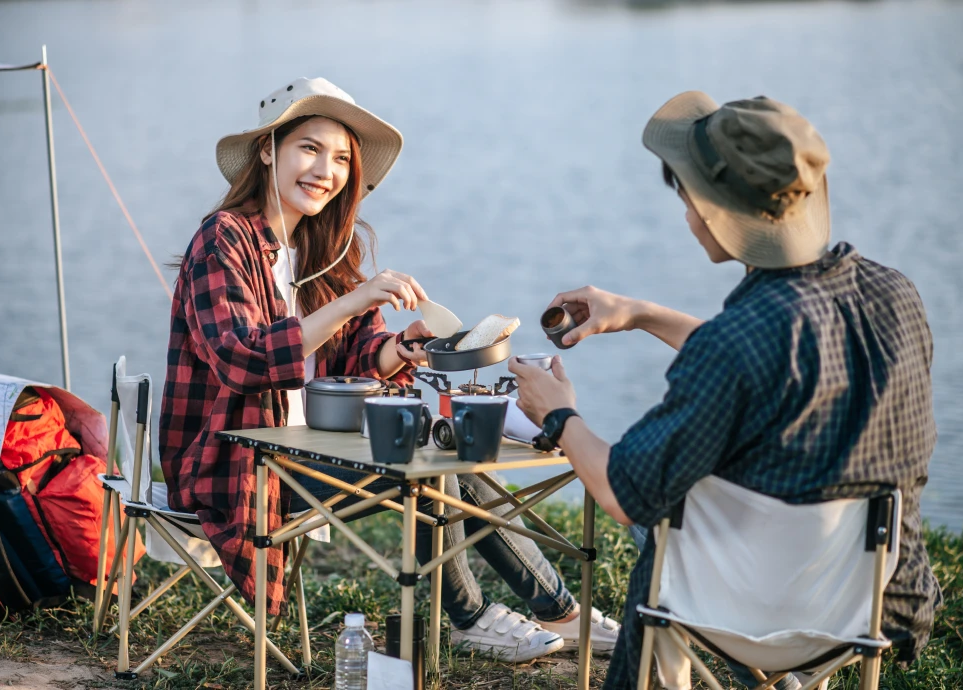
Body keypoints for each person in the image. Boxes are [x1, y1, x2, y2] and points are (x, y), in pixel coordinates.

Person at [159, 76, 619, 662]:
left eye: (342, 158)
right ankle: (476, 618)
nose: (326, 169)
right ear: (269, 148)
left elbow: (355, 357)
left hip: (313, 448)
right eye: (310, 148)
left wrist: (400, 350)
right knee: (429, 470)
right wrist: (354, 300)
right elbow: (242, 358)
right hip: (239, 463)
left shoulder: (321, 248)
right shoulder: (222, 240)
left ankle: (560, 612)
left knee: (448, 452)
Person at [510, 92, 942, 687]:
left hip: (751, 611)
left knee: (657, 519)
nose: (686, 215)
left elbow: (622, 492)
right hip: (870, 601)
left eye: (687, 199)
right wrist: (638, 313)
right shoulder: (894, 295)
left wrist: (560, 416)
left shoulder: (739, 342)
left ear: (717, 212)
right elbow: (778, 364)